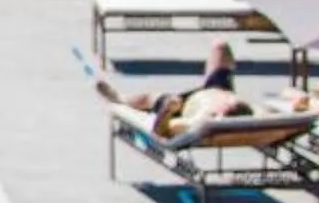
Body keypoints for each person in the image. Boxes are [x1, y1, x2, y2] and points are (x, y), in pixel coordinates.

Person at [95, 39, 254, 134]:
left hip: (185, 104)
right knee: (220, 46)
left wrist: (168, 111)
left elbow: (161, 131)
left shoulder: (200, 122)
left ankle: (121, 100)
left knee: (151, 98)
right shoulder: (247, 114)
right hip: (220, 89)